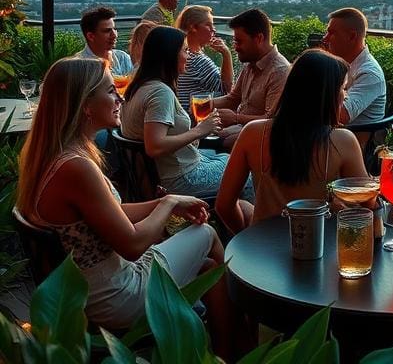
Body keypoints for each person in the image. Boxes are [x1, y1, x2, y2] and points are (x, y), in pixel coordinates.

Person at [15, 58, 235, 352]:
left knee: (207, 267)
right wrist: (168, 203)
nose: (120, 97)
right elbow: (132, 245)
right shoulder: (76, 168)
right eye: (110, 91)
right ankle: (237, 343)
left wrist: (161, 202)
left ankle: (222, 348)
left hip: (89, 287)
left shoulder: (57, 157)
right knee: (205, 234)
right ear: (86, 105)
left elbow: (109, 215)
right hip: (112, 296)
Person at [215, 50, 367, 232]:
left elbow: (224, 205)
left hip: (265, 245)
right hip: (317, 245)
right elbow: (365, 203)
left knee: (245, 206)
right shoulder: (342, 141)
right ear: (327, 94)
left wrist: (247, 239)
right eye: (342, 88)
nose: (345, 95)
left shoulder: (253, 132)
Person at [120, 27, 241, 202]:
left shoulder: (137, 88)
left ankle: (232, 216)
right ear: (169, 55)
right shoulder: (160, 93)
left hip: (160, 175)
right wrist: (200, 130)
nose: (189, 56)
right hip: (179, 179)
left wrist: (198, 130)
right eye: (185, 51)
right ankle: (249, 223)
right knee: (244, 169)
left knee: (223, 157)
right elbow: (155, 146)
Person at [212, 9, 290, 151]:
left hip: (259, 138)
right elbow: (233, 99)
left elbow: (271, 121)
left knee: (213, 143)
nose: (235, 47)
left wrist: (236, 118)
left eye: (239, 41)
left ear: (259, 38)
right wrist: (202, 104)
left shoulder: (279, 71)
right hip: (239, 129)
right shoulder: (250, 62)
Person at [322, 7, 386, 126]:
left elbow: (340, 116)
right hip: (334, 137)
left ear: (352, 36)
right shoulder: (343, 65)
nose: (325, 38)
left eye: (332, 33)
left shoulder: (369, 73)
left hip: (352, 142)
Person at [174, 5, 234, 114]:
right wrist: (226, 54)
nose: (213, 29)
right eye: (208, 25)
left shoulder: (181, 54)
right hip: (196, 121)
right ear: (193, 27)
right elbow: (226, 90)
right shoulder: (196, 61)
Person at [76, 6, 133, 76]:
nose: (114, 35)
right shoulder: (79, 66)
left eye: (114, 29)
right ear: (90, 36)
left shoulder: (122, 58)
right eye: (107, 31)